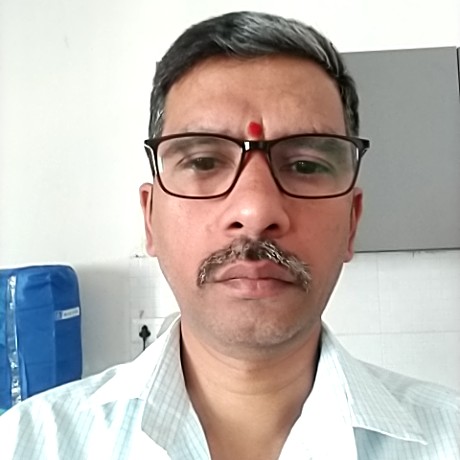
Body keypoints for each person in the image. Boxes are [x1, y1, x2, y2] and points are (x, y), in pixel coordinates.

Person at [1, 10, 459, 460]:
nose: (255, 211)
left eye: (304, 165)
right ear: (150, 217)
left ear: (352, 223)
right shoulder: (26, 443)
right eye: (203, 161)